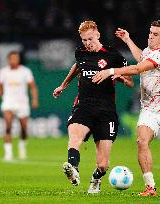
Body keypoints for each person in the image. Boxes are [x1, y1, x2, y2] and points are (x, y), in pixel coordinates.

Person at [92, 20, 160, 196]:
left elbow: (137, 69)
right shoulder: (149, 51)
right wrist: (128, 40)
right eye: (150, 33)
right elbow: (141, 58)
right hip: (149, 109)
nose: (151, 36)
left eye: (155, 34)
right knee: (142, 141)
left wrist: (111, 71)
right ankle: (150, 187)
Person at [53, 20, 134, 194]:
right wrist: (63, 85)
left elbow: (129, 82)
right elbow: (77, 67)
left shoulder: (113, 55)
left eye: (90, 39)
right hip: (84, 106)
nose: (87, 43)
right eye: (84, 40)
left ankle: (96, 178)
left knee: (103, 164)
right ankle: (73, 169)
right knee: (74, 138)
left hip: (106, 112)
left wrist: (114, 75)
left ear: (97, 34)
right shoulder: (80, 53)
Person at [0, 51, 39, 161]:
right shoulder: (3, 72)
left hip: (22, 103)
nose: (14, 60)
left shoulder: (25, 71)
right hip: (8, 102)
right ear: (8, 60)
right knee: (7, 126)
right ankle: (8, 153)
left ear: (18, 60)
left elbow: (33, 87)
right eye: (12, 58)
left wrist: (34, 99)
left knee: (24, 129)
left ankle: (22, 147)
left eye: (16, 58)